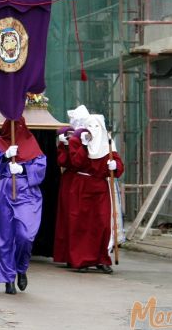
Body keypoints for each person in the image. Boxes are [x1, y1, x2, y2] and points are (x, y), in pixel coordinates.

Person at [0, 118, 46, 295]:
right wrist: (4, 157)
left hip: (26, 194)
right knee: (4, 237)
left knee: (26, 235)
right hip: (1, 194)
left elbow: (40, 166)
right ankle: (8, 277)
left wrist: (23, 170)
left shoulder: (31, 144)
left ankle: (21, 267)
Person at [57, 108, 124, 274]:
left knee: (101, 224)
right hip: (81, 185)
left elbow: (118, 165)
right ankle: (80, 259)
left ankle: (102, 258)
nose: (93, 129)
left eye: (96, 126)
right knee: (80, 223)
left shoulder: (107, 142)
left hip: (100, 187)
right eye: (90, 126)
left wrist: (115, 166)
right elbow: (77, 162)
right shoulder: (77, 140)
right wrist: (84, 145)